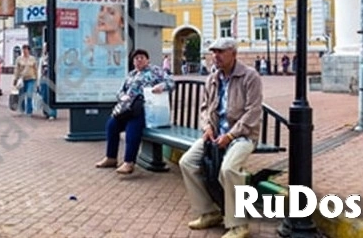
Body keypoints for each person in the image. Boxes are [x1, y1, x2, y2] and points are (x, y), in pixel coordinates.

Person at [179, 38, 262, 238]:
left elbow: (253, 112)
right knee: (187, 162)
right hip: (215, 134)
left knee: (229, 169)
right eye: (214, 52)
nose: (216, 56)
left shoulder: (250, 76)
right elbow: (205, 108)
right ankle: (209, 212)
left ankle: (239, 225)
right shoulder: (213, 78)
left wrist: (231, 135)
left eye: (221, 52)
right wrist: (207, 127)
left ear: (234, 54)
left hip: (243, 135)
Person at [94, 48, 174, 174]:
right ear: (133, 61)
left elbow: (171, 82)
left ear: (147, 60)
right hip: (127, 108)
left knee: (133, 127)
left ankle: (129, 162)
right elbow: (120, 91)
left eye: (142, 57)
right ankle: (111, 157)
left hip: (145, 108)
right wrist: (122, 97)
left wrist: (161, 86)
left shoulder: (155, 71)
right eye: (136, 58)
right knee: (112, 124)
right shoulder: (131, 74)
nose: (139, 60)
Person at [14, 44, 38, 116]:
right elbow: (17, 69)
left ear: (29, 50)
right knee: (21, 95)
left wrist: (37, 79)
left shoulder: (33, 59)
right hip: (22, 79)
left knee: (29, 94)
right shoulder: (19, 59)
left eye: (26, 49)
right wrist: (15, 78)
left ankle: (29, 111)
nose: (24, 51)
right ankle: (22, 109)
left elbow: (35, 69)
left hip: (31, 78)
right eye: (23, 49)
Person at [37, 43, 57, 120]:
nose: (45, 49)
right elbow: (39, 70)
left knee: (51, 96)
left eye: (46, 47)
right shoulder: (42, 58)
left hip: (52, 80)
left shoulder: (53, 57)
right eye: (44, 47)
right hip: (44, 79)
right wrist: (38, 81)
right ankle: (46, 111)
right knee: (44, 96)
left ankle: (52, 113)